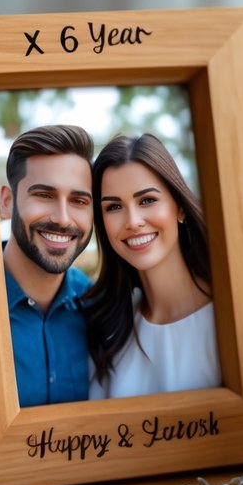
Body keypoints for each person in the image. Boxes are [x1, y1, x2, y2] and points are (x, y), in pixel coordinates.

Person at [86, 133, 220, 398]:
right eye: (114, 207)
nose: (133, 221)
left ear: (180, 208)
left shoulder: (229, 317)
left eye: (147, 200)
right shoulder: (107, 330)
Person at [0, 124, 94, 406]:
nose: (63, 218)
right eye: (44, 195)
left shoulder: (97, 305)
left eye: (78, 200)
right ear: (7, 202)